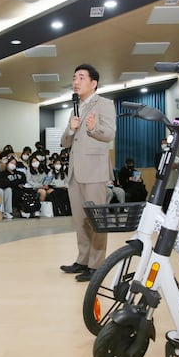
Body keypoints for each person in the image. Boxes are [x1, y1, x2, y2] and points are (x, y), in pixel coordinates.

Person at [59, 63, 116, 282]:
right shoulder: (75, 108)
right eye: (74, 78)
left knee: (96, 220)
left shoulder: (104, 104)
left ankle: (96, 265)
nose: (76, 82)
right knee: (80, 220)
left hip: (94, 171)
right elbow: (65, 142)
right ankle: (83, 260)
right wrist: (71, 129)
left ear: (93, 83)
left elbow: (109, 133)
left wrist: (93, 128)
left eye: (81, 77)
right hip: (75, 172)